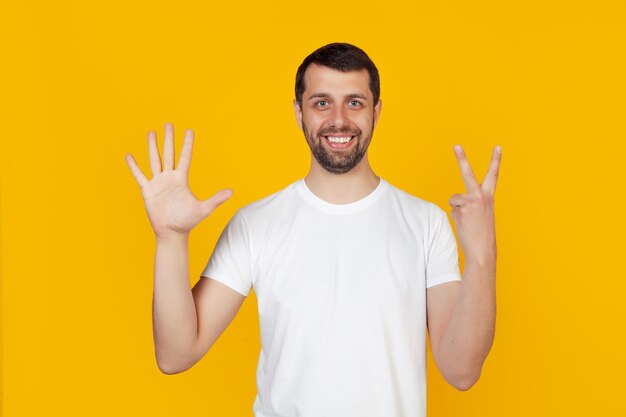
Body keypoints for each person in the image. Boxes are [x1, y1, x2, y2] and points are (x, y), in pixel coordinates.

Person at [125, 42, 501, 417]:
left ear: (377, 111)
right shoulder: (255, 224)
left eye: (355, 102)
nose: (339, 119)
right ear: (298, 112)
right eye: (322, 102)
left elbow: (461, 371)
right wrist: (171, 239)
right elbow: (176, 355)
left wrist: (482, 258)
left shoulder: (425, 222)